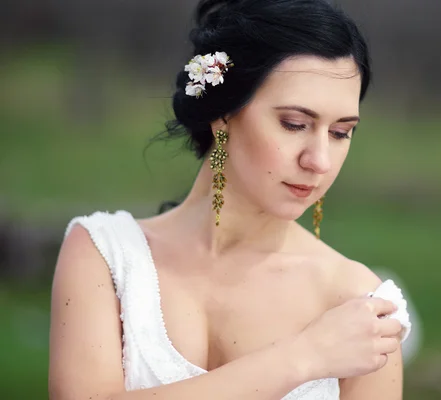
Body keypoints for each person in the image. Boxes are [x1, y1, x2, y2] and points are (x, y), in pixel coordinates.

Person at [48, 0, 412, 399]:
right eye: (295, 124)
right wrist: (303, 357)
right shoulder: (106, 254)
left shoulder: (360, 304)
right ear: (223, 114)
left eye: (341, 132)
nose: (319, 160)